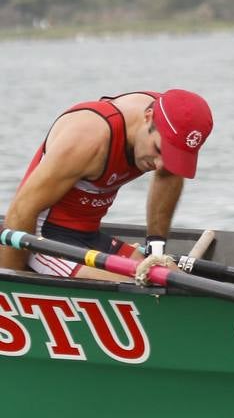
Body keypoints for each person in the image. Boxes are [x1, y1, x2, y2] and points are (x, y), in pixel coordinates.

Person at [1, 89, 214, 280]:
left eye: (171, 157)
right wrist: (12, 284)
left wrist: (155, 251)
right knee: (140, 284)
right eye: (159, 151)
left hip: (88, 237)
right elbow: (20, 212)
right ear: (148, 118)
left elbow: (168, 175)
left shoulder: (172, 123)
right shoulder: (88, 138)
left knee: (169, 278)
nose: (160, 165)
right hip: (40, 238)